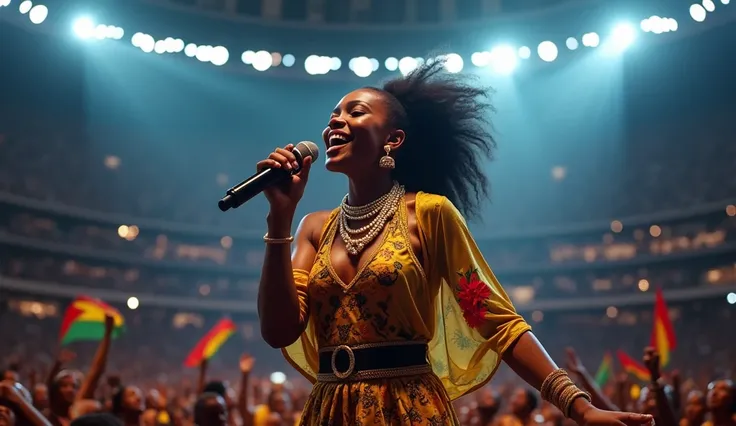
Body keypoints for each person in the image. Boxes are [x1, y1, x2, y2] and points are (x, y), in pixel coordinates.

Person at [255, 59, 655, 426]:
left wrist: (579, 407)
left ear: (392, 139)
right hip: (330, 411)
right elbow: (278, 331)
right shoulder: (311, 227)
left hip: (409, 409)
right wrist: (280, 217)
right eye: (333, 116)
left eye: (354, 112)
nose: (335, 123)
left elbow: (496, 321)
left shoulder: (430, 214)